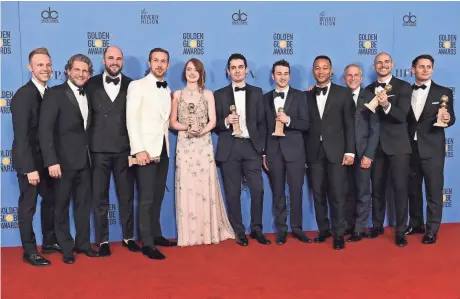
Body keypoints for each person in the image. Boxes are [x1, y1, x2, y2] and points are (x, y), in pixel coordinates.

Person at [39, 54, 100, 264]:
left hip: (85, 161)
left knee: (83, 206)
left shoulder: (90, 94)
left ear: (89, 74)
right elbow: (45, 131)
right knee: (61, 206)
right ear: (68, 71)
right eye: (77, 70)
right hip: (62, 163)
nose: (81, 74)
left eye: (85, 71)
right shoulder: (54, 94)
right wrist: (51, 161)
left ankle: (83, 244)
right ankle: (66, 247)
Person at [169, 58, 234, 247]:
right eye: (188, 69)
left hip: (203, 144)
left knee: (205, 187)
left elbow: (212, 121)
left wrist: (201, 131)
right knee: (187, 187)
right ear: (185, 72)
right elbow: (173, 122)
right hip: (185, 144)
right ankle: (189, 235)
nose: (192, 73)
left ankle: (208, 233)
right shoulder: (177, 94)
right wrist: (188, 128)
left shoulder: (208, 94)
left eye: (195, 69)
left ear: (201, 72)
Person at [86, 46, 139, 256]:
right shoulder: (90, 84)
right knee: (100, 197)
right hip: (98, 150)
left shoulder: (132, 85)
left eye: (118, 58)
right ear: (103, 60)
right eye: (110, 58)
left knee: (126, 196)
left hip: (124, 150)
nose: (114, 62)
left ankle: (128, 237)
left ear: (122, 61)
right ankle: (103, 240)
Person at [11, 47, 61, 266]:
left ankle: (49, 242)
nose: (45, 68)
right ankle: (29, 250)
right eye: (40, 65)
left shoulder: (50, 94)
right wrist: (29, 167)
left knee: (50, 201)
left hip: (46, 161)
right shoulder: (23, 95)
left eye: (48, 65)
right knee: (28, 206)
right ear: (30, 67)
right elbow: (21, 136)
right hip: (29, 161)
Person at [214, 53, 270, 246]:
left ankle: (257, 228)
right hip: (229, 147)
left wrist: (262, 150)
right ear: (228, 72)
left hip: (251, 147)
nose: (237, 71)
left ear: (246, 69)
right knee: (232, 192)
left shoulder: (256, 92)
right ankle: (239, 230)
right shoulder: (219, 94)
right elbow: (214, 125)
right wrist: (225, 121)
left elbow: (262, 123)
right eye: (233, 67)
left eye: (240, 67)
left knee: (258, 189)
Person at [126, 48, 176, 260]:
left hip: (163, 149)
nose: (159, 64)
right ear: (149, 62)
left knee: (157, 196)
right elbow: (131, 119)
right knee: (146, 198)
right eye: (156, 60)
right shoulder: (137, 85)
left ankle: (156, 234)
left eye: (163, 61)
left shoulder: (167, 89)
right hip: (145, 150)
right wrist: (139, 149)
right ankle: (146, 243)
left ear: (168, 65)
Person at [304, 55, 355, 250]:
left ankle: (338, 233)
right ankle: (323, 229)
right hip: (314, 153)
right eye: (317, 68)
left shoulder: (343, 94)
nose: (321, 71)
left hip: (337, 151)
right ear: (313, 71)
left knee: (337, 195)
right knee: (318, 194)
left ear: (331, 71)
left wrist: (350, 151)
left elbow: (349, 125)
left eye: (325, 68)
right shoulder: (306, 95)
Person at [406, 54, 455, 244]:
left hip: (432, 149)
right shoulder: (406, 91)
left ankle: (432, 229)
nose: (425, 70)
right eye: (421, 66)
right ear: (413, 69)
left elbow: (451, 118)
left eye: (428, 67)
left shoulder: (443, 92)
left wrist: (446, 119)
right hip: (410, 148)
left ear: (432, 69)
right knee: (413, 189)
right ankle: (416, 223)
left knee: (434, 191)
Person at [365, 52, 412, 247]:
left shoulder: (403, 87)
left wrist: (386, 105)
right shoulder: (368, 89)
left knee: (400, 190)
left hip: (398, 146)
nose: (383, 65)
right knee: (377, 189)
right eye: (379, 63)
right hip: (376, 148)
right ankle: (377, 226)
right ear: (374, 66)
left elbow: (402, 115)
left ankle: (401, 231)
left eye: (386, 62)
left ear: (392, 64)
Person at [262, 59, 311, 245]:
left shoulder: (301, 96)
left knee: (297, 191)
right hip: (274, 152)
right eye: (278, 73)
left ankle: (297, 229)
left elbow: (306, 124)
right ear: (273, 76)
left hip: (295, 152)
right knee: (278, 193)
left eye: (285, 73)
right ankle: (281, 230)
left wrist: (289, 120)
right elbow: (263, 127)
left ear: (289, 75)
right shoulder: (265, 98)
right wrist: (264, 153)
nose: (282, 77)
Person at [342, 64, 380, 242]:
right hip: (342, 154)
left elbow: (375, 129)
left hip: (363, 153)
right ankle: (348, 225)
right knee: (346, 191)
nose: (352, 78)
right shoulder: (339, 96)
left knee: (363, 192)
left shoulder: (371, 97)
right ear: (344, 78)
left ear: (362, 78)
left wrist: (369, 155)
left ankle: (359, 228)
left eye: (356, 75)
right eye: (349, 75)